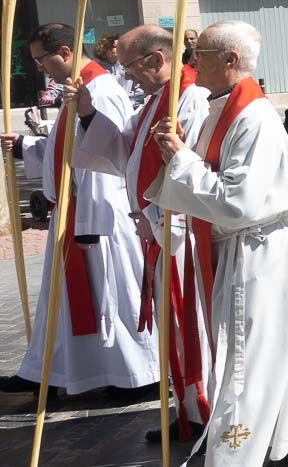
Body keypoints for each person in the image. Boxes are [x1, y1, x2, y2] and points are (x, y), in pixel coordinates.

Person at [149, 21, 288, 467]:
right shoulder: (221, 109)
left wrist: (182, 160)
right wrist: (179, 153)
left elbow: (237, 201)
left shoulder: (254, 118)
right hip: (243, 250)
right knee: (267, 350)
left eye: (200, 52)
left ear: (230, 60)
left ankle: (239, 455)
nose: (191, 61)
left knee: (247, 356)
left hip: (255, 251)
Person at [68, 25, 212, 442]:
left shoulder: (192, 98)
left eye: (129, 66)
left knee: (194, 329)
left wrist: (157, 212)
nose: (126, 76)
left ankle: (206, 415)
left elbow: (193, 167)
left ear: (156, 59)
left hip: (182, 232)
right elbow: (122, 153)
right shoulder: (153, 104)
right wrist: (88, 114)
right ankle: (188, 410)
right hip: (156, 231)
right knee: (175, 331)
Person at [0, 23, 158, 398]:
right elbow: (67, 149)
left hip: (97, 218)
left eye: (43, 59)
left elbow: (106, 157)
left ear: (66, 53)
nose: (40, 67)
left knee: (113, 296)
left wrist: (89, 224)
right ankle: (49, 369)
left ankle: (137, 375)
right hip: (74, 214)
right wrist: (25, 144)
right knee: (66, 300)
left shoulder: (100, 90)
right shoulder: (78, 91)